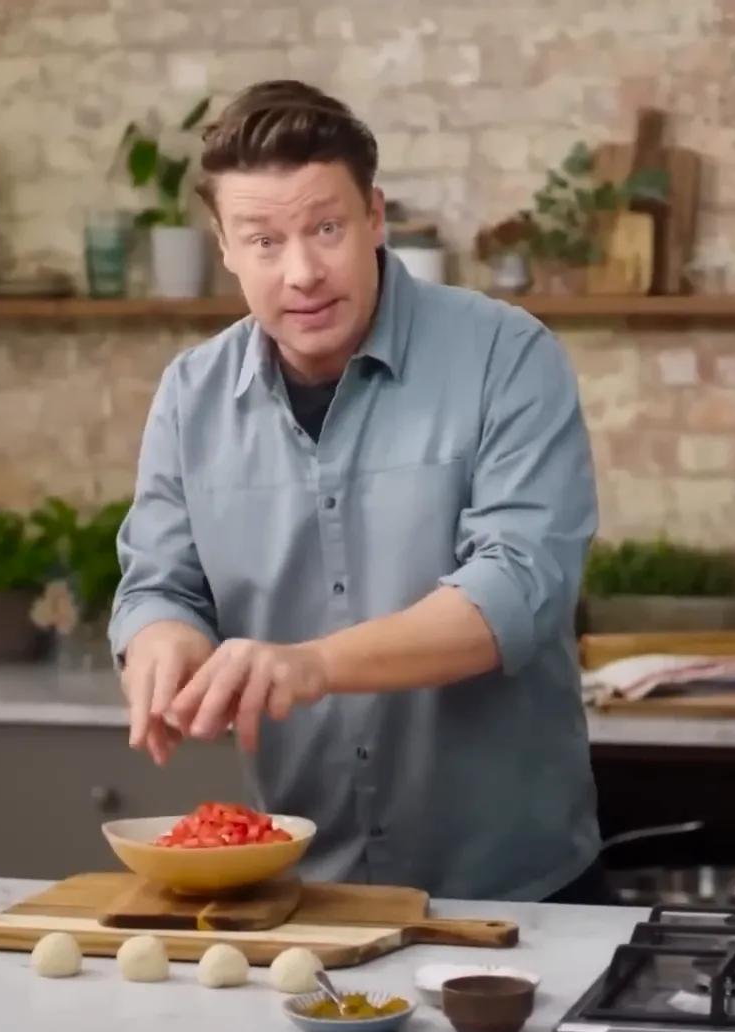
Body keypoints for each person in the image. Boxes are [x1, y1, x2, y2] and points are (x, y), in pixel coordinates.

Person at [108, 80, 606, 904]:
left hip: (515, 891)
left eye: (326, 228)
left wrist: (315, 665)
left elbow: (518, 585)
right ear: (224, 247)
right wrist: (164, 644)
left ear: (375, 217)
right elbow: (161, 584)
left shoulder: (506, 355)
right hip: (303, 894)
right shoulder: (191, 396)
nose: (302, 273)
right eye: (263, 241)